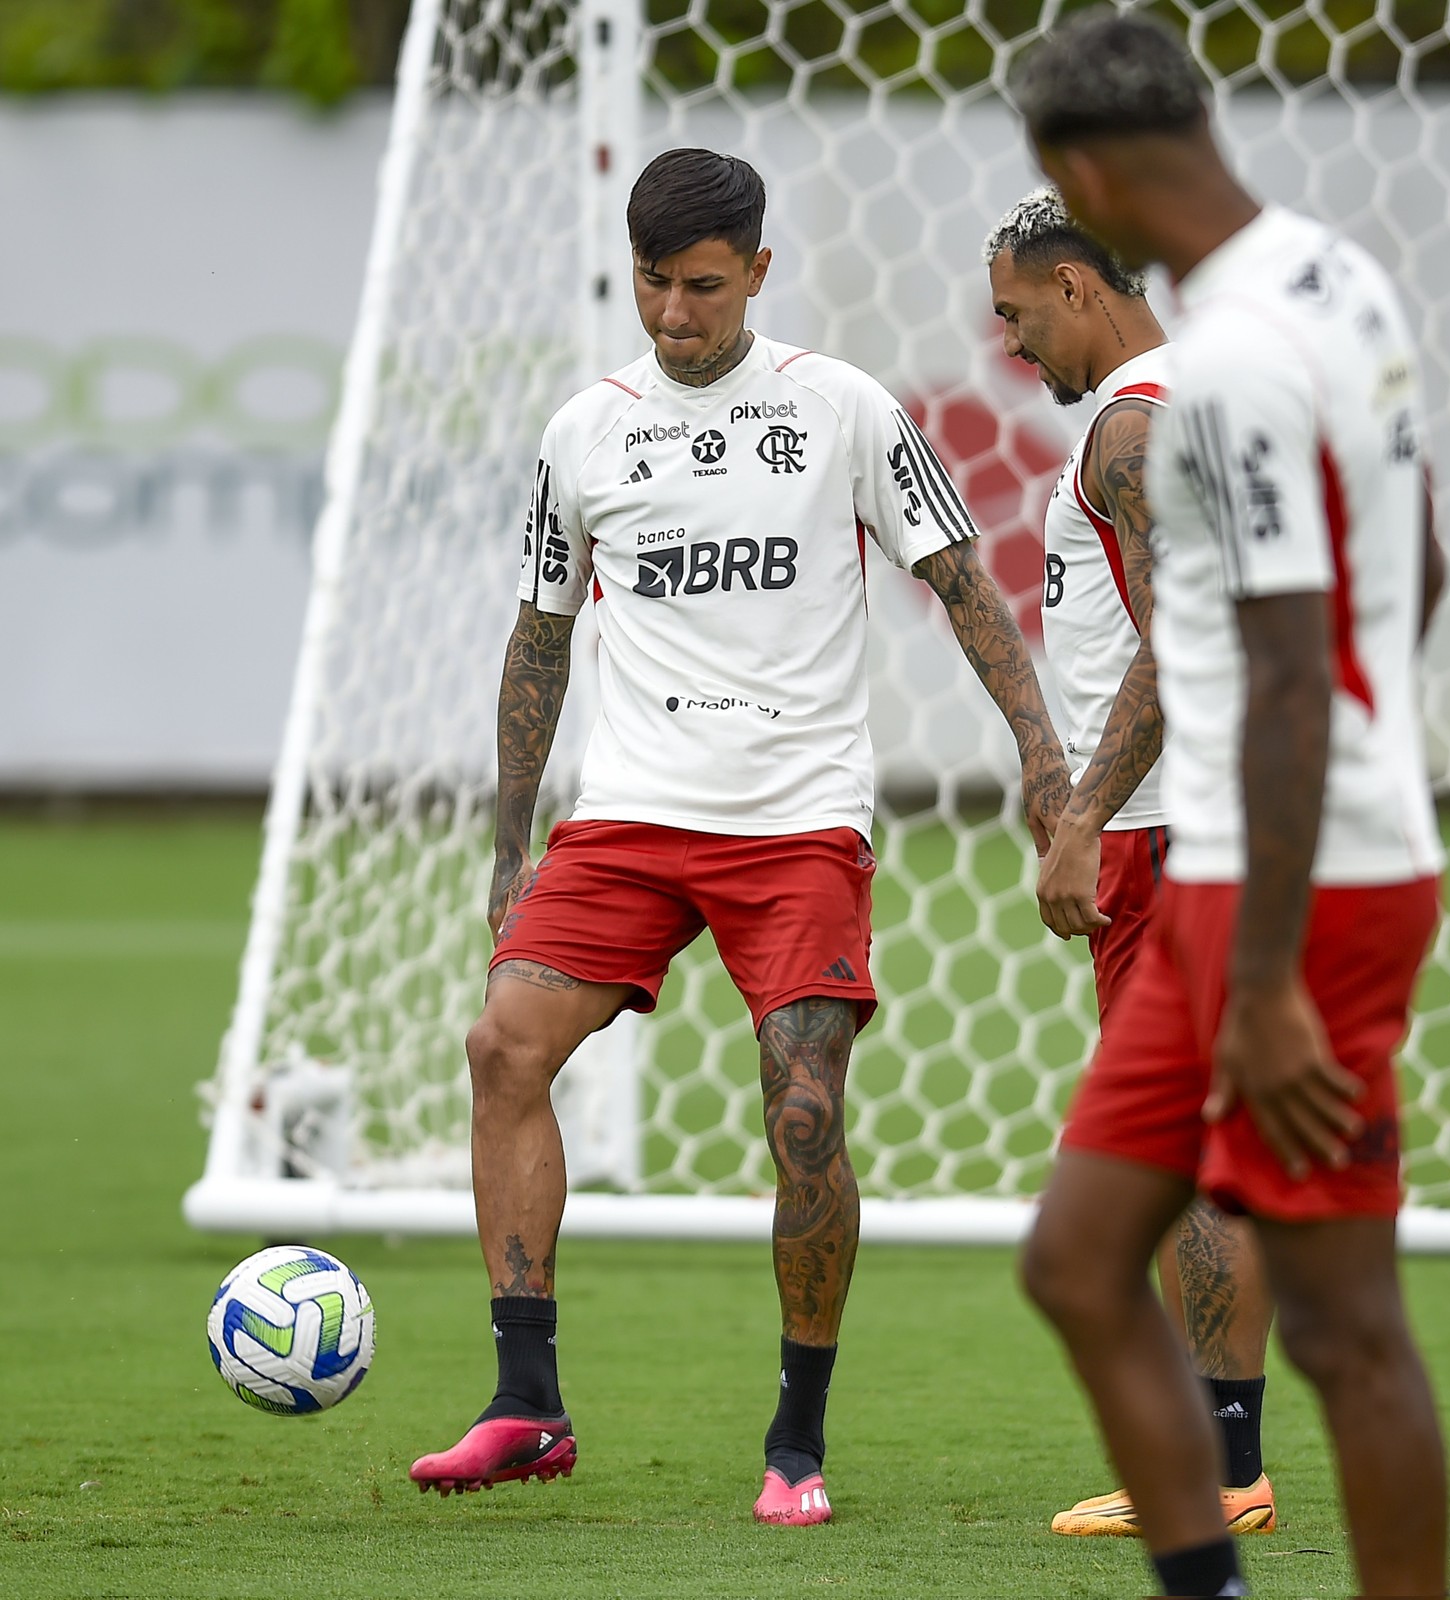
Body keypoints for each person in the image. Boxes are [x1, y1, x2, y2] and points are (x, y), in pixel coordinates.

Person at [408, 147, 1072, 1527]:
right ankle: (526, 1403)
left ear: (758, 272)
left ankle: (796, 1436)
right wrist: (508, 841)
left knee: (805, 1114)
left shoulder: (844, 413)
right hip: (631, 818)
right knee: (501, 1046)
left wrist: (1044, 756)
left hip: (795, 823)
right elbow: (537, 642)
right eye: (652, 283)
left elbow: (964, 587)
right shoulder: (584, 431)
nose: (673, 315)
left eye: (702, 286)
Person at [1011, 11, 1450, 1598]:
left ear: (1079, 176)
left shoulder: (1236, 361)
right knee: (1074, 1262)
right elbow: (1427, 569)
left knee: (1346, 1326)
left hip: (1299, 891)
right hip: (1250, 857)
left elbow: (1272, 672)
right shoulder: (1341, 279)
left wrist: (1264, 979)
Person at [984, 187, 1277, 1539]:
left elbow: (1176, 649)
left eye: (1019, 312)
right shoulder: (1203, 399)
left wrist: (1085, 816)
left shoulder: (1131, 431)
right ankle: (1223, 1458)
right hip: (1210, 819)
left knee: (1170, 1152)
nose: (1012, 343)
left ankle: (1222, 1471)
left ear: (1079, 289)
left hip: (1167, 832)